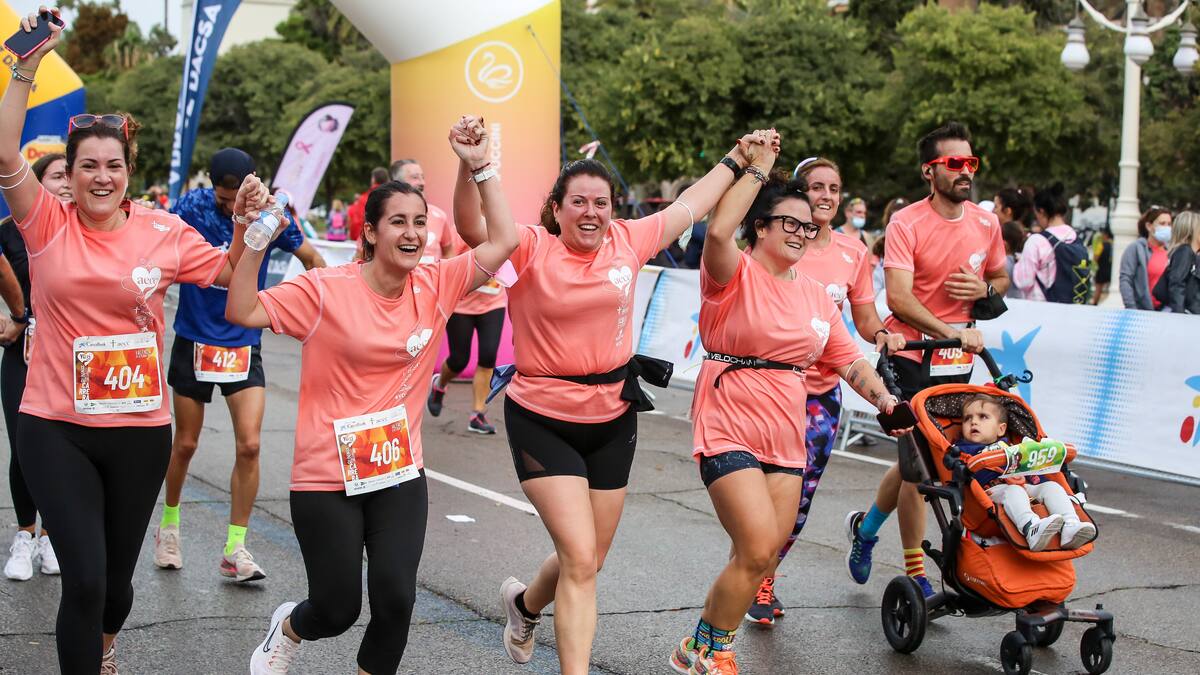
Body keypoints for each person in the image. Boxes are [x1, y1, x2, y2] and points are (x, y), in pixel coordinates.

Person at [0, 9, 263, 670]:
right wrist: (23, 69)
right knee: (84, 580)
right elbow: (5, 153)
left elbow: (229, 275)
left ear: (127, 168)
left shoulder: (163, 230)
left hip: (139, 426)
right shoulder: (44, 221)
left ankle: (107, 642)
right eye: (86, 165)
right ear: (72, 170)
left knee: (115, 588)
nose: (99, 176)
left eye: (112, 165)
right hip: (54, 422)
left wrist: (245, 228)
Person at [454, 128, 766, 675]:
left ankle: (525, 605)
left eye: (601, 203)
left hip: (612, 416)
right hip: (542, 417)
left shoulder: (628, 239)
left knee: (590, 559)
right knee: (579, 559)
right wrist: (469, 167)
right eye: (578, 202)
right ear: (556, 209)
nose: (591, 212)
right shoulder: (528, 245)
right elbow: (470, 226)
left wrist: (737, 159)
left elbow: (691, 203)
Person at [231, 117, 517, 675]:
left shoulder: (438, 283)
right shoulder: (323, 290)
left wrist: (479, 164)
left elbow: (502, 239)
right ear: (368, 232)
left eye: (418, 223)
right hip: (324, 476)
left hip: (396, 471)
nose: (412, 234)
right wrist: (250, 239)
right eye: (397, 223)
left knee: (396, 600)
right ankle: (288, 626)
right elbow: (242, 310)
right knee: (337, 609)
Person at [669, 138, 908, 674]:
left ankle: (697, 647)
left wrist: (887, 400)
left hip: (786, 435)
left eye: (809, 226)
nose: (803, 233)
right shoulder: (729, 270)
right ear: (761, 226)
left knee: (759, 556)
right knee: (755, 547)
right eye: (790, 223)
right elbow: (720, 228)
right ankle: (719, 653)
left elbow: (849, 361)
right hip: (727, 419)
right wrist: (759, 169)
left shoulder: (816, 295)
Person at [843, 121, 1009, 599]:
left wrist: (986, 291)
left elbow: (1000, 275)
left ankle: (867, 528)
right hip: (912, 355)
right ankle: (916, 571)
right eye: (953, 163)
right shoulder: (907, 223)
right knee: (920, 464)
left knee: (932, 459)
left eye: (970, 163)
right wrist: (950, 332)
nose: (965, 171)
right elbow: (898, 297)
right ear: (929, 171)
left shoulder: (985, 222)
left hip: (960, 360)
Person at [742, 156, 906, 626]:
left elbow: (863, 315)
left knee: (800, 497)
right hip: (765, 390)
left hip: (819, 395)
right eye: (817, 187)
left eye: (835, 188)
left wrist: (880, 335)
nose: (827, 197)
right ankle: (750, 564)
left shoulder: (854, 251)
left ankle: (763, 576)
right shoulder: (783, 244)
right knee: (757, 495)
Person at [154, 148, 325, 582]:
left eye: (237, 197)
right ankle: (169, 527)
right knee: (186, 444)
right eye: (224, 198)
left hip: (243, 340)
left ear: (253, 182)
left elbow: (312, 259)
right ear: (212, 188)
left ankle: (235, 547)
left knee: (249, 444)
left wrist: (321, 311)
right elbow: (158, 248)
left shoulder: (273, 211)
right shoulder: (191, 206)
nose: (232, 206)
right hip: (194, 337)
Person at [1, 152, 69, 581]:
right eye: (57, 174)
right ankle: (25, 534)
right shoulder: (8, 233)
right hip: (23, 353)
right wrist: (15, 317)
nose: (65, 182)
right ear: (36, 181)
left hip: (72, 358)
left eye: (69, 174)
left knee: (65, 450)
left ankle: (51, 536)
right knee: (24, 443)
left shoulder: (85, 229)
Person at [955, 395, 1095, 550]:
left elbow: (1031, 468)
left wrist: (1034, 478)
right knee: (1013, 490)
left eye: (983, 417)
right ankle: (1030, 527)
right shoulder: (963, 449)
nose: (973, 422)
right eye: (967, 419)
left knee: (1051, 487)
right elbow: (971, 473)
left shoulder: (1012, 446)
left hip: (1024, 487)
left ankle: (1070, 525)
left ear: (1001, 429)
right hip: (992, 492)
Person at [426, 228, 507, 434]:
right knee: (459, 359)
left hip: (493, 302)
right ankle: (440, 383)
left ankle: (477, 414)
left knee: (488, 355)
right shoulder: (461, 228)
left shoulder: (502, 225)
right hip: (462, 305)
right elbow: (450, 261)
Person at [1012, 184, 1090, 303]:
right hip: (1071, 311)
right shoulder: (1075, 237)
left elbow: (1024, 282)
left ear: (1041, 211)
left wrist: (1018, 262)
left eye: (1036, 213)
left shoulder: (1036, 241)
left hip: (1042, 311)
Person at [1120, 207, 1172, 310]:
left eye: (1169, 224)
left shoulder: (1171, 251)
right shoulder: (1136, 249)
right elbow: (1125, 280)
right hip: (1142, 311)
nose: (1167, 228)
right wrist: (1131, 308)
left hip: (1167, 311)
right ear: (1149, 226)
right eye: (1162, 224)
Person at [1160, 211, 1200, 314]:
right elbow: (1177, 284)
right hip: (1186, 318)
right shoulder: (1185, 252)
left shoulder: (1192, 255)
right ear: (1191, 231)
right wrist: (1180, 315)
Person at [348, 166, 389, 245]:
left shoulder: (364, 199)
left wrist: (359, 240)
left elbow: (356, 223)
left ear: (373, 179)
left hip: (367, 243)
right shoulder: (394, 198)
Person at [1091, 227, 1113, 305]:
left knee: (1098, 288)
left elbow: (1095, 258)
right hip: (1111, 270)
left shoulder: (1101, 245)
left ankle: (1094, 304)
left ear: (1106, 235)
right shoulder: (1113, 244)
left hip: (1101, 269)